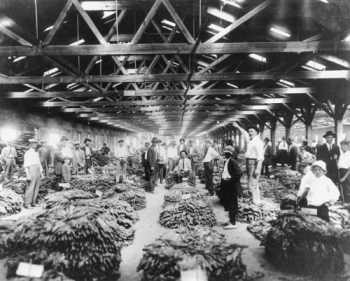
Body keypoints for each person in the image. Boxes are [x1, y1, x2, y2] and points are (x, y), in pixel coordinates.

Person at [232, 122, 264, 204]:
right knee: (254, 183)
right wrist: (238, 126)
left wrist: (258, 168)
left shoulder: (258, 142)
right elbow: (244, 133)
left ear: (256, 132)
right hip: (249, 162)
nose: (249, 133)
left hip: (254, 162)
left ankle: (254, 201)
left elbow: (260, 156)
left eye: (251, 131)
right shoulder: (250, 139)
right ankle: (257, 200)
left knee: (251, 184)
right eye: (249, 131)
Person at [221, 146, 243, 230]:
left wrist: (231, 180)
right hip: (227, 184)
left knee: (232, 203)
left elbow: (239, 173)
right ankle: (231, 220)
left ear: (229, 153)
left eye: (225, 153)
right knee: (229, 203)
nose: (224, 154)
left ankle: (233, 223)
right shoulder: (228, 160)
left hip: (232, 186)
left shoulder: (232, 161)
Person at [23, 139, 44, 208]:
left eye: (36, 143)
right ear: (30, 144)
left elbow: (39, 163)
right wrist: (28, 174)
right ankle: (27, 203)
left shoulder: (36, 153)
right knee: (30, 186)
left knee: (36, 186)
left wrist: (41, 173)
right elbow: (26, 164)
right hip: (31, 169)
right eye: (33, 143)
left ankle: (33, 202)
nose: (35, 144)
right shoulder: (28, 153)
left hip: (37, 169)